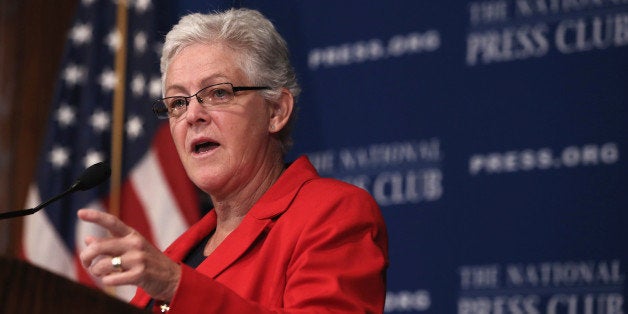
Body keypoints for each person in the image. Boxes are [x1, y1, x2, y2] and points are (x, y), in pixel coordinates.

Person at [78, 8, 388, 313]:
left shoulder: (333, 214)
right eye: (177, 102)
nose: (192, 115)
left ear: (277, 111)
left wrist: (176, 286)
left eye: (218, 93)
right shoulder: (179, 252)